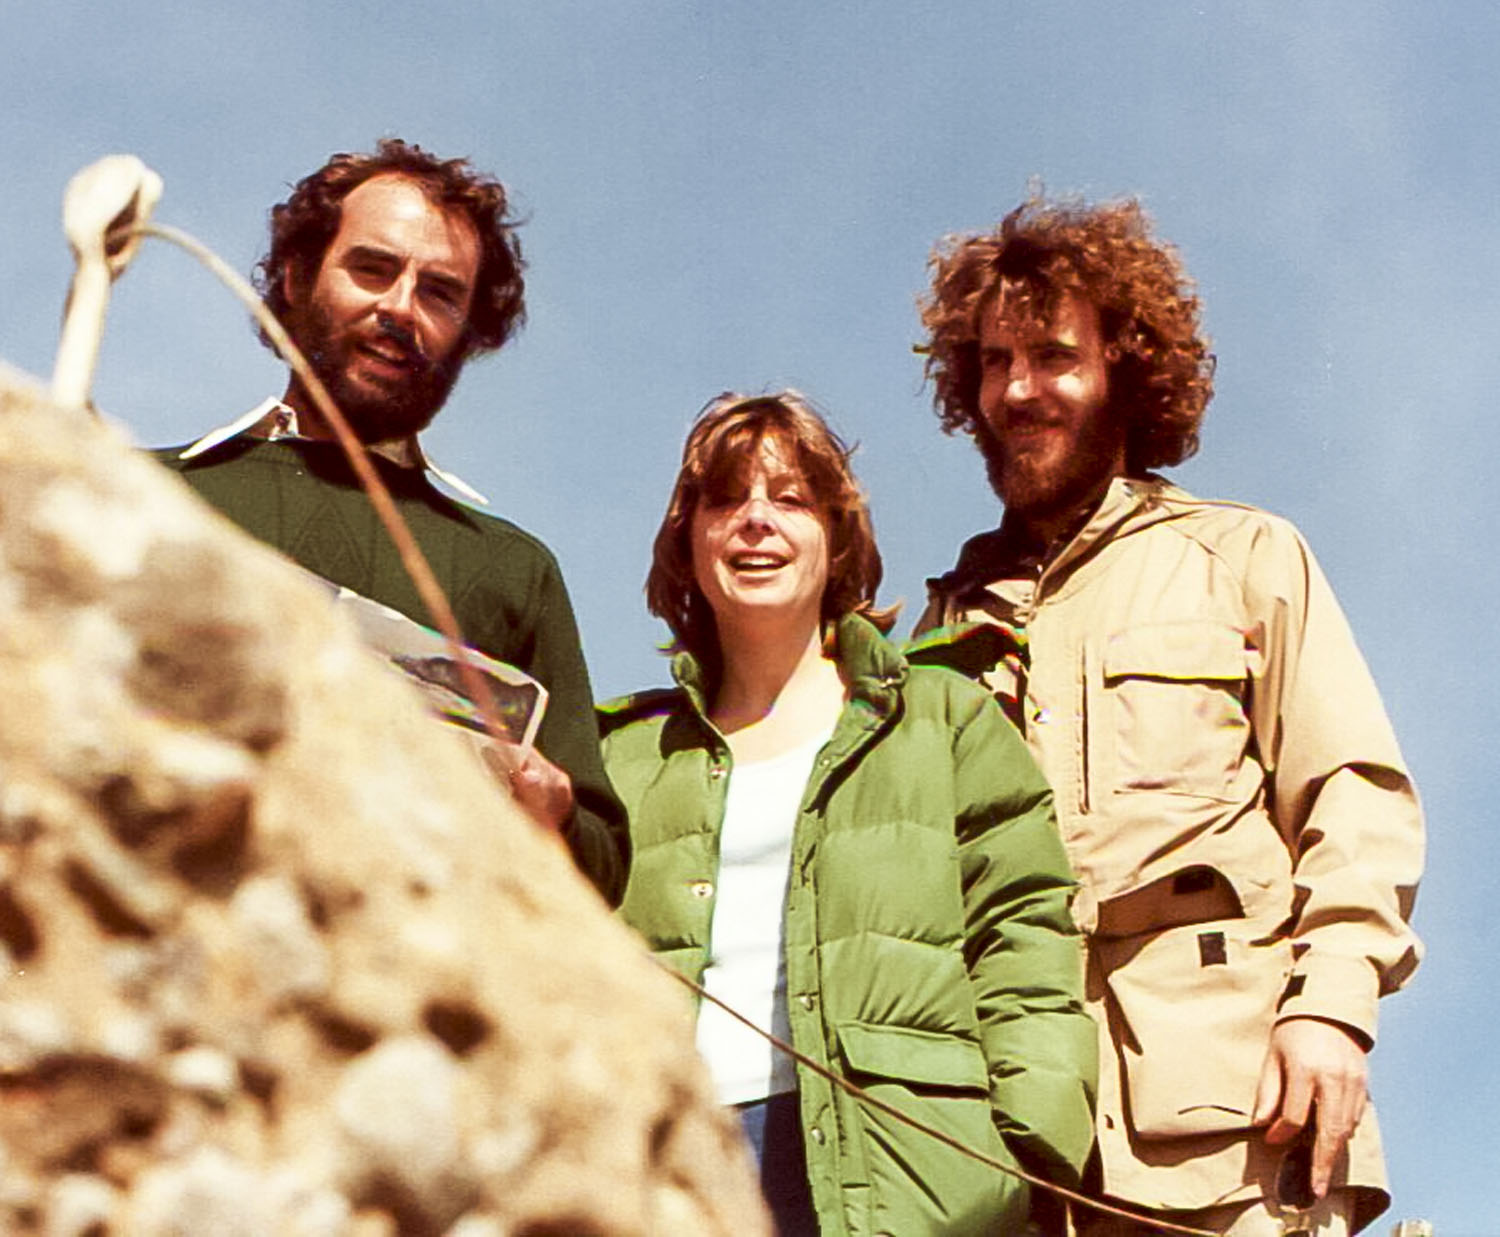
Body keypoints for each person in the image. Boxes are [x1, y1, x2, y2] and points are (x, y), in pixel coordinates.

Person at [910, 196, 1424, 1235]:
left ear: (1124, 367)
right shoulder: (943, 628)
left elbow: (1355, 795)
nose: (1020, 388)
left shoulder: (1243, 557)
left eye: (1053, 355)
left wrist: (1332, 1005)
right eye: (996, 362)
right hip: (1015, 1155)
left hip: (1239, 1138)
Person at [599, 391, 1096, 1235]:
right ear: (688, 540)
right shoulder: (623, 755)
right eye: (726, 500)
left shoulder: (945, 721)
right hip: (665, 1177)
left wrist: (1022, 1162)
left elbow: (1027, 942)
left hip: (908, 1180)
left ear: (837, 539)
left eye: (791, 499)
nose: (756, 521)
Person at [154, 139, 628, 904]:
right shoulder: (150, 491)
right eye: (373, 269)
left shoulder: (513, 571)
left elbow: (602, 867)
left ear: (472, 331)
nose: (400, 307)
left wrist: (554, 816)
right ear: (297, 277)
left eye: (440, 292)